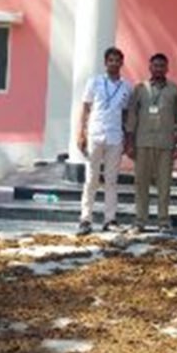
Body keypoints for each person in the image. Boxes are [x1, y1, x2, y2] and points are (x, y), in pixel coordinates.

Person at [125, 53, 177, 233]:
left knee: (164, 185)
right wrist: (129, 141)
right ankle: (140, 221)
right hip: (142, 142)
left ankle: (163, 221)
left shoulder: (174, 90)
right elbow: (132, 115)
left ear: (167, 68)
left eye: (162, 66)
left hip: (165, 144)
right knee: (141, 183)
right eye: (155, 65)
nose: (158, 69)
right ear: (150, 68)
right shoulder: (140, 88)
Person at [77, 47, 132, 236]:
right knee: (91, 178)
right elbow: (85, 108)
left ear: (122, 63)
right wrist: (81, 133)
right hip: (95, 133)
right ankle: (85, 218)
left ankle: (110, 219)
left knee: (111, 180)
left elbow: (125, 113)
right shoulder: (94, 82)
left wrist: (127, 137)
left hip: (115, 136)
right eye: (110, 60)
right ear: (105, 62)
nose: (114, 63)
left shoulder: (126, 86)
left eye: (117, 60)